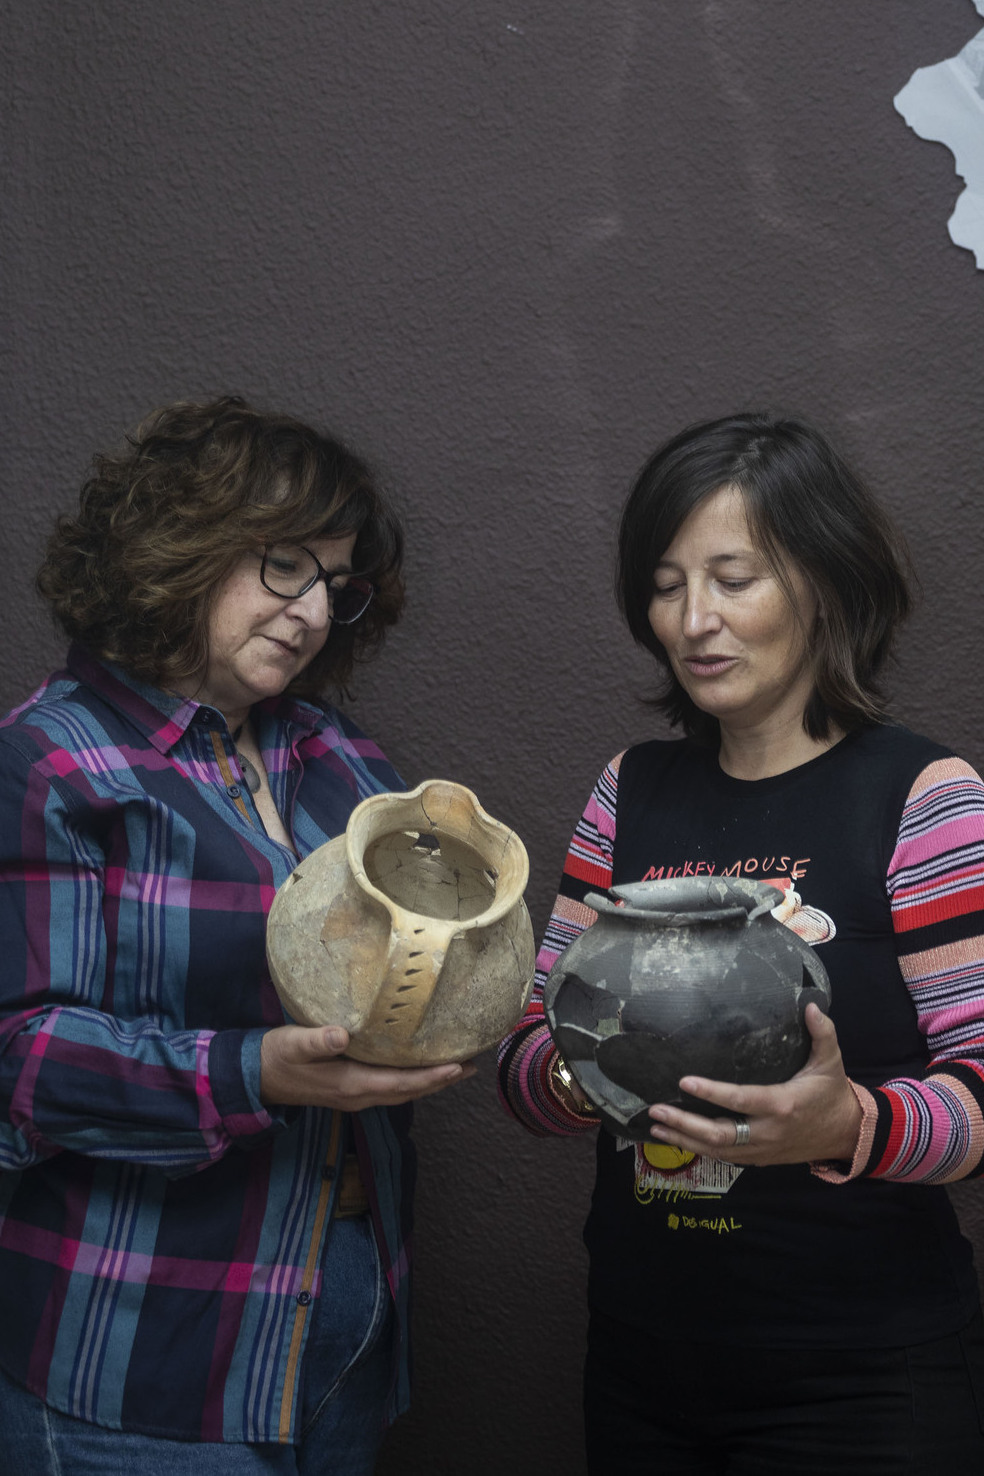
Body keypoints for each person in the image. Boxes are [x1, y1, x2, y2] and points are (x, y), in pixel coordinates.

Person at [498, 412, 984, 1474]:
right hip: (644, 1361)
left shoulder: (923, 798)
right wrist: (593, 1072)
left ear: (824, 582)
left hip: (860, 1380)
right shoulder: (630, 793)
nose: (694, 621)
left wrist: (848, 1122)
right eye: (668, 585)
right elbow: (526, 1060)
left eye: (735, 577)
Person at [0, 396, 475, 1475]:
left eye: (336, 584)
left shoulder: (337, 755)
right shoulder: (51, 762)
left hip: (344, 1323)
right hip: (143, 1348)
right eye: (284, 566)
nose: (312, 611)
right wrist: (255, 1073)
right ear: (178, 541)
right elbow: (19, 1059)